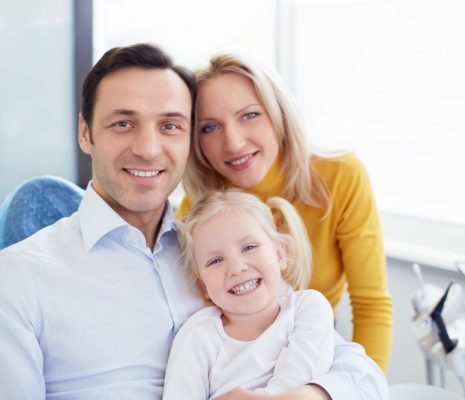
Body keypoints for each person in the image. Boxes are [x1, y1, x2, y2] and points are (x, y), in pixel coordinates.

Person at [0, 43, 389, 400]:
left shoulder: (231, 252)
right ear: (85, 133)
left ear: (188, 141)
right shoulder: (19, 279)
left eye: (170, 126)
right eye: (123, 123)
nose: (148, 148)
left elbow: (363, 376)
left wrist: (308, 395)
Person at [178, 51, 394, 370]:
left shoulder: (340, 176)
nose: (234, 143)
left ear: (279, 113)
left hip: (316, 357)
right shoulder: (197, 210)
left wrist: (366, 385)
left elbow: (371, 306)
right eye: (210, 127)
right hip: (233, 364)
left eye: (249, 115)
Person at [163, 190, 335, 399]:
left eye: (249, 247)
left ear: (279, 254)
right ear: (203, 285)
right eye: (215, 261)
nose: (236, 268)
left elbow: (293, 385)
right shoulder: (197, 338)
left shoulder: (308, 309)